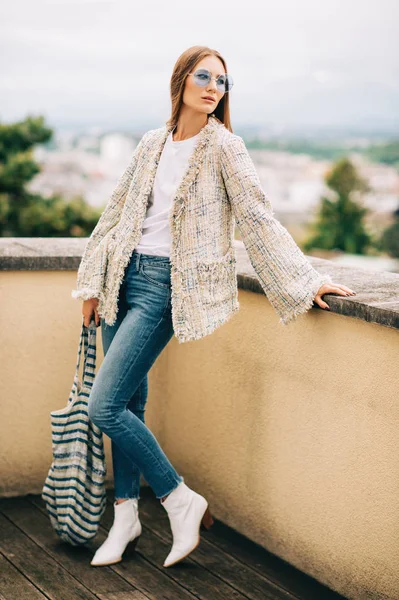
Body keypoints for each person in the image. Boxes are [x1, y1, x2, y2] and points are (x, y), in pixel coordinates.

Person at [72, 45, 355, 569]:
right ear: (180, 80)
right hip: (119, 277)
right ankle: (126, 517)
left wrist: (306, 279)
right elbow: (115, 213)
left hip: (163, 287)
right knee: (128, 406)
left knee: (103, 406)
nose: (212, 87)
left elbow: (257, 216)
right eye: (203, 77)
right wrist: (91, 283)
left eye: (221, 82)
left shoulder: (225, 146)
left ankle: (180, 499)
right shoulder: (152, 143)